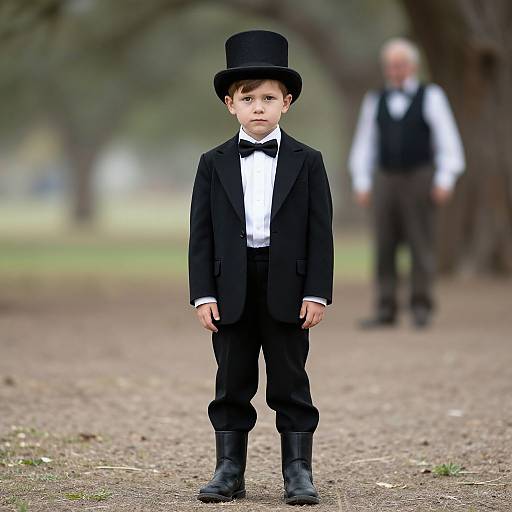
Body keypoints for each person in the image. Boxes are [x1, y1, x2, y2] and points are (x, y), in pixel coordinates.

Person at [188, 30, 334, 505]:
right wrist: (203, 293)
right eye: (247, 98)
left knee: (291, 380)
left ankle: (298, 471)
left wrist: (317, 292)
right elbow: (201, 233)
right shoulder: (211, 163)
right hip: (230, 284)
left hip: (287, 285)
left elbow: (320, 233)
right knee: (231, 380)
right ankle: (229, 470)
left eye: (268, 98)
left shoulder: (308, 161)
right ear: (229, 104)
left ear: (286, 102)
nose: (257, 107)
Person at [348, 37, 465, 329]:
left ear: (412, 66)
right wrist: (362, 181)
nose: (395, 70)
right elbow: (365, 143)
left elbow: (447, 140)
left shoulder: (432, 95)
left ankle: (421, 305)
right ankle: (385, 307)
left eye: (400, 64)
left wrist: (445, 178)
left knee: (420, 242)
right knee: (384, 244)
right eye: (390, 65)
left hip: (420, 176)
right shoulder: (375, 99)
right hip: (385, 177)